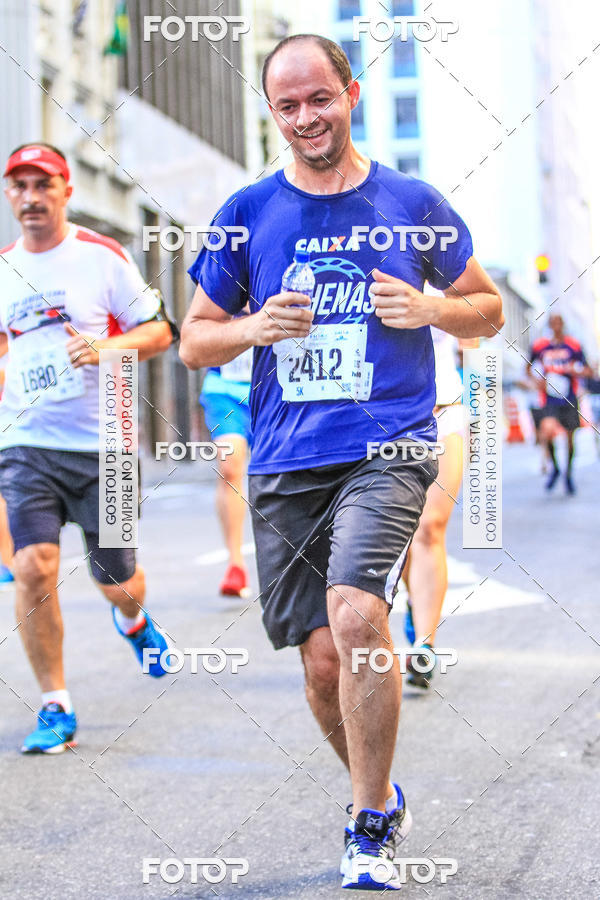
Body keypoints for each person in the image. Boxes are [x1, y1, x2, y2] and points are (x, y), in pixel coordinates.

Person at [180, 35, 503, 891]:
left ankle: (367, 829)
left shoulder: (412, 201)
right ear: (272, 113)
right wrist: (255, 328)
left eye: (318, 98)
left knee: (359, 616)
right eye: (286, 106)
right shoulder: (247, 210)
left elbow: (489, 310)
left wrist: (431, 306)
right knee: (323, 663)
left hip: (388, 448)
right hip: (287, 460)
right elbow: (192, 339)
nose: (304, 118)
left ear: (350, 92)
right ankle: (380, 792)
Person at [0, 142, 176, 753]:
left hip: (107, 447)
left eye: (42, 185)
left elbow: (162, 331)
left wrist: (106, 349)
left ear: (65, 191)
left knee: (118, 581)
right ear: (9, 197)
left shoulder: (102, 258)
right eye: (19, 187)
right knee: (33, 566)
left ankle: (131, 620)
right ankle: (55, 703)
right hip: (26, 444)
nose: (30, 198)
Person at [402, 330, 474, 688]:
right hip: (387, 420)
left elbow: (479, 331)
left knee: (429, 527)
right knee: (402, 536)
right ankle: (418, 603)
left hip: (445, 410)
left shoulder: (447, 276)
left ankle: (424, 644)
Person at [199, 339, 253, 597]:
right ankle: (235, 563)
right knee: (230, 467)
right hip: (225, 389)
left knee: (284, 473)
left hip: (276, 387)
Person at [527, 314, 592, 494]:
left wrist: (575, 370)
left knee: (570, 440)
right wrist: (536, 380)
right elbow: (527, 367)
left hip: (569, 398)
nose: (556, 326)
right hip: (549, 398)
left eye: (559, 322)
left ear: (563, 324)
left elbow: (588, 370)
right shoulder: (541, 346)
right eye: (552, 323)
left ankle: (568, 474)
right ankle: (554, 467)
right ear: (549, 325)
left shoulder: (573, 345)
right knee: (546, 432)